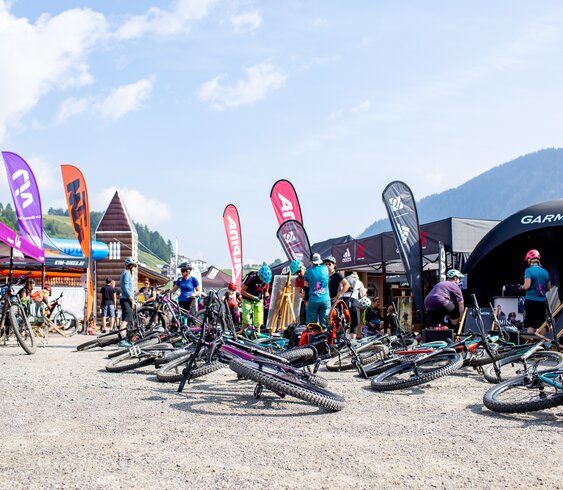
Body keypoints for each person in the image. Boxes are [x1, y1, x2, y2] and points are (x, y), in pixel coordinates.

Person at [522, 249, 551, 335]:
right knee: (542, 324)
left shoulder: (528, 271)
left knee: (530, 324)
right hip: (542, 302)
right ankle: (542, 342)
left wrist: (521, 287)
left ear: (529, 260)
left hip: (531, 301)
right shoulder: (545, 272)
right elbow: (548, 288)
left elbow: (527, 286)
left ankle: (530, 342)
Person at [240, 264, 271, 333]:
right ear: (260, 275)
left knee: (258, 321)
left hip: (258, 300)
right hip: (247, 299)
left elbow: (266, 292)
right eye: (262, 279)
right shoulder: (251, 278)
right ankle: (241, 333)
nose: (263, 281)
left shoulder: (266, 280)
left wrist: (266, 295)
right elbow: (242, 291)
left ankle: (257, 334)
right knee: (247, 320)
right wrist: (253, 297)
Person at [334, 271, 365, 339]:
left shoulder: (343, 282)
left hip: (342, 302)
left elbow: (339, 291)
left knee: (342, 321)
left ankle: (342, 338)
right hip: (353, 302)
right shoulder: (359, 282)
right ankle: (352, 339)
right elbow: (363, 295)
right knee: (354, 323)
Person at [303, 253, 330, 328]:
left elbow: (306, 287)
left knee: (311, 325)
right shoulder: (326, 268)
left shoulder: (308, 271)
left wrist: (306, 300)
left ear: (311, 261)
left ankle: (312, 334)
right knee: (325, 325)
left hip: (313, 300)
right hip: (325, 300)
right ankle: (325, 334)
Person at [119, 257, 139, 343]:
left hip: (125, 299)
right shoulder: (127, 273)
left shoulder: (124, 273)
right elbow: (125, 287)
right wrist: (131, 298)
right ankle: (122, 339)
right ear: (130, 266)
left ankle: (124, 337)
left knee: (126, 318)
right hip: (126, 299)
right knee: (125, 319)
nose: (134, 268)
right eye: (134, 266)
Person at [290, 259, 308, 325]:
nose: (299, 274)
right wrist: (304, 297)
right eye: (296, 273)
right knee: (303, 316)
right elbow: (299, 292)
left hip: (314, 298)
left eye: (299, 271)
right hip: (306, 298)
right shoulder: (298, 279)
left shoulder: (309, 274)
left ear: (302, 267)